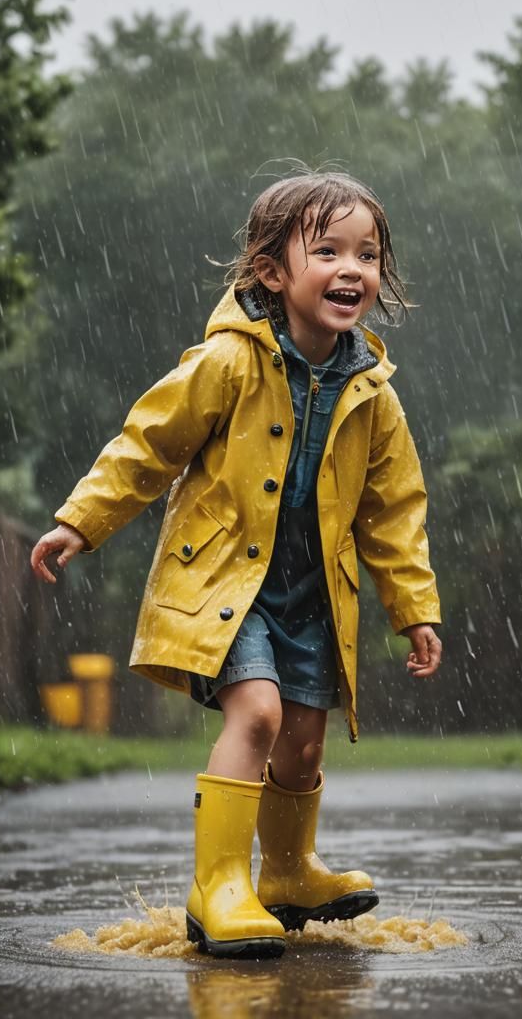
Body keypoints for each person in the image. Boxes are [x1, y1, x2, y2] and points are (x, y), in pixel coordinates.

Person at [30, 170, 442, 959]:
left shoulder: (374, 395)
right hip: (226, 584)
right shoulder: (228, 363)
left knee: (305, 744)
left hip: (315, 593)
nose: (352, 268)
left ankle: (286, 873)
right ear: (272, 272)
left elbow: (394, 512)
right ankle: (218, 882)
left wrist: (414, 607)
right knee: (257, 714)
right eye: (327, 250)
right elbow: (149, 443)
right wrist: (82, 520)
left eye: (368, 253)